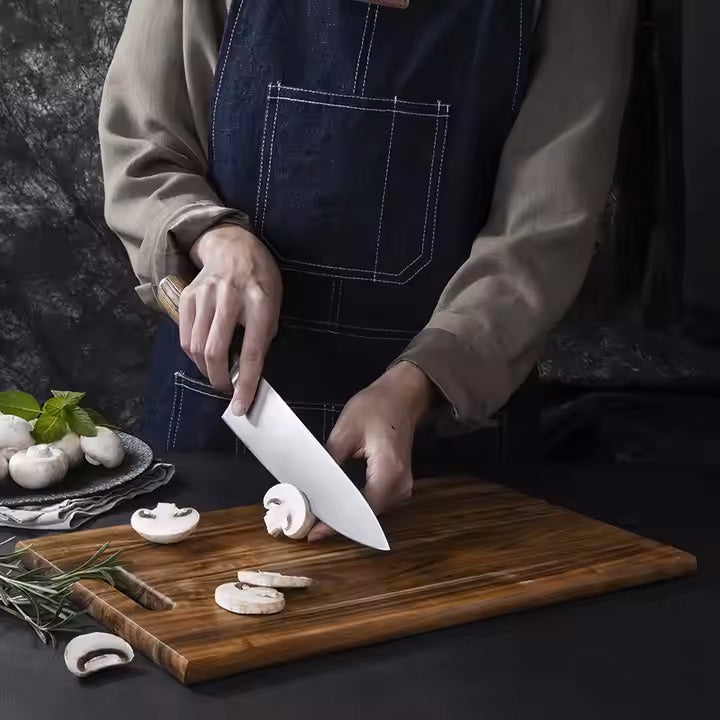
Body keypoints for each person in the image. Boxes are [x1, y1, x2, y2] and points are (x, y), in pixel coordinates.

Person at [100, 0, 635, 537]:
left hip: (452, 446)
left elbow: (543, 229)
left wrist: (421, 380)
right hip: (217, 424)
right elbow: (144, 147)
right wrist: (215, 236)